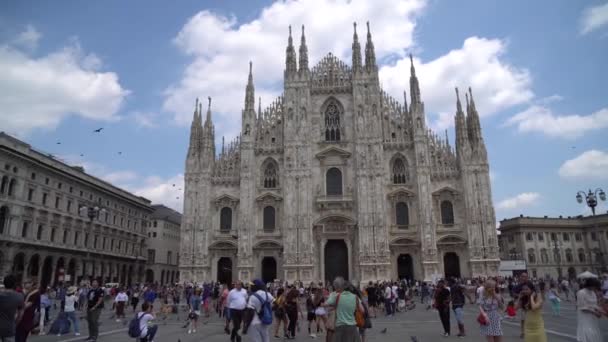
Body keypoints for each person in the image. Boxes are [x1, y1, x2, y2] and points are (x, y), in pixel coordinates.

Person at [325, 277, 364, 342]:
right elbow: (363, 311)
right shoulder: (355, 297)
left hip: (340, 326)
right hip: (352, 326)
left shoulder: (335, 296)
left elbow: (325, 305)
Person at [576, 278, 604, 342]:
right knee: (587, 330)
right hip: (585, 315)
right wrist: (595, 312)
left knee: (593, 330)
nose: (596, 288)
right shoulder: (581, 292)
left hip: (592, 316)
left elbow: (594, 304)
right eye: (595, 286)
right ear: (590, 285)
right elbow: (582, 307)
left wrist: (600, 310)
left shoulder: (593, 292)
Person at [0, 275, 25, 342]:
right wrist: (15, 324)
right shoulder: (19, 296)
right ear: (14, 284)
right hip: (9, 328)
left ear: (4, 283)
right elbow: (20, 315)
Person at [513, 272, 534, 339]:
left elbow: (534, 291)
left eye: (525, 276)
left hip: (531, 304)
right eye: (522, 276)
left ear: (527, 277)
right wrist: (519, 295)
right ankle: (523, 332)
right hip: (523, 305)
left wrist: (530, 294)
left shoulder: (530, 284)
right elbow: (513, 293)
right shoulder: (519, 285)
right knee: (523, 320)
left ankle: (530, 331)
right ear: (520, 277)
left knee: (531, 320)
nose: (524, 278)